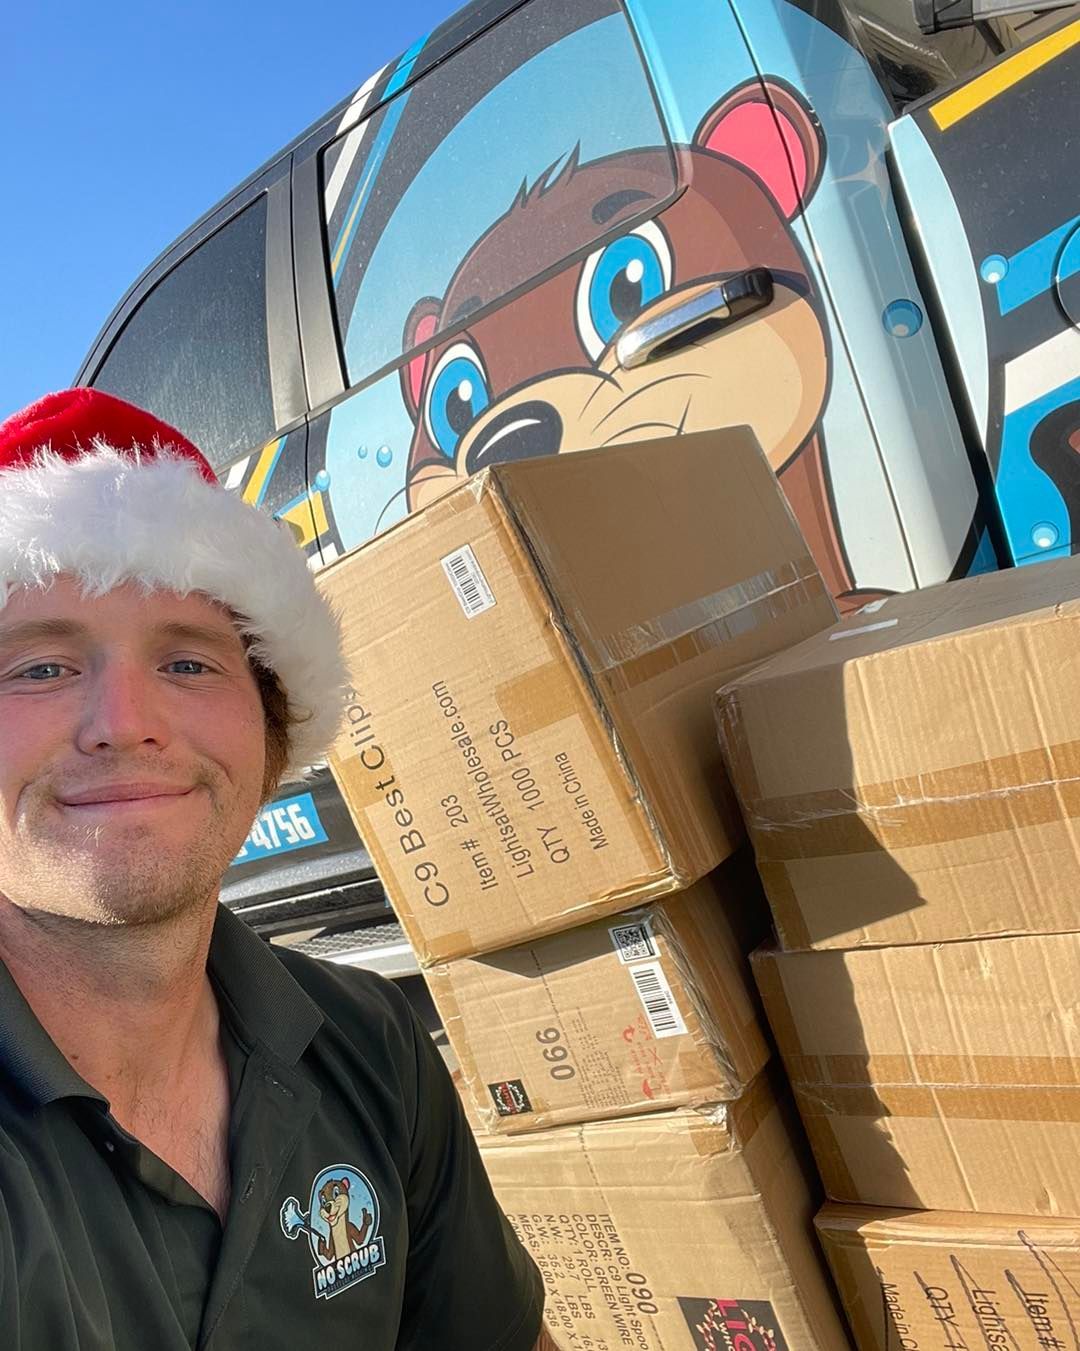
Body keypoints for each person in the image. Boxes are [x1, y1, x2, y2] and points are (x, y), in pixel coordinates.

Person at [0, 389, 555, 1349]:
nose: (125, 719)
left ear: (272, 730)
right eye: (40, 668)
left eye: (189, 664)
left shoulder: (372, 1046)